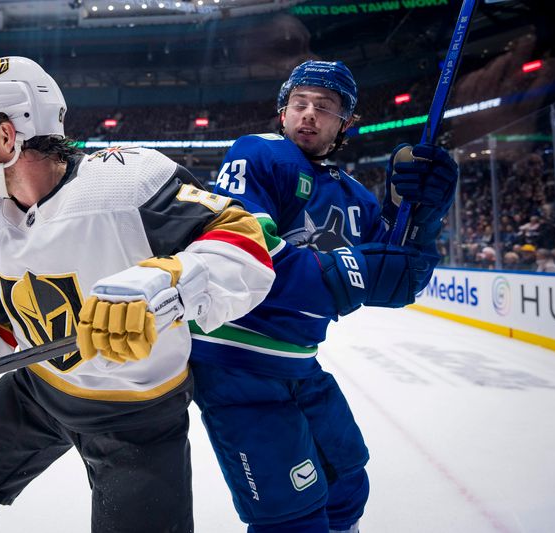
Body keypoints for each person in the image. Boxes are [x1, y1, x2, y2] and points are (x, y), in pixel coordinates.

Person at [0, 56, 274, 533]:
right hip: (36, 390)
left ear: (5, 136)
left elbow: (243, 240)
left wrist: (169, 283)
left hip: (138, 414)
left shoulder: (126, 182)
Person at [189, 60, 458, 532]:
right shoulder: (258, 154)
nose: (308, 114)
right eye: (299, 104)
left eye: (324, 107)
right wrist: (347, 274)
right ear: (283, 112)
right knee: (290, 517)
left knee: (345, 479)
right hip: (234, 361)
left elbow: (400, 276)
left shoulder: (356, 196)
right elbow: (245, 248)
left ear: (345, 122)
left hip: (298, 360)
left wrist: (420, 214)